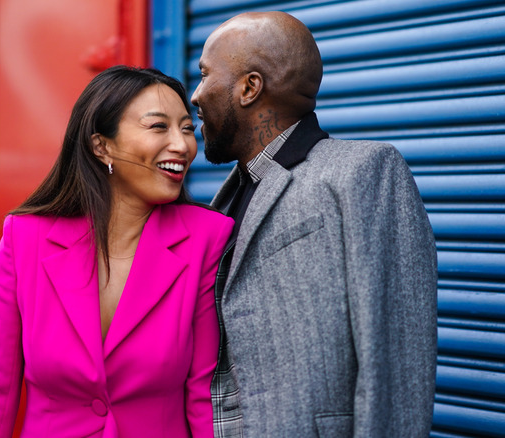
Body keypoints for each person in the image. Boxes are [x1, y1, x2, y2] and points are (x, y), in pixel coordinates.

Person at [191, 11, 438, 437]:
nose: (195, 96)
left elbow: (397, 356)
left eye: (205, 74)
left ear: (250, 87)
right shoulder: (225, 199)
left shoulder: (364, 171)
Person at [0, 66, 234, 437]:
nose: (183, 145)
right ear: (101, 145)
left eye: (187, 128)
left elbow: (205, 395)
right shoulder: (25, 238)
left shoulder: (208, 237)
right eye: (159, 127)